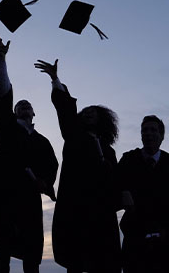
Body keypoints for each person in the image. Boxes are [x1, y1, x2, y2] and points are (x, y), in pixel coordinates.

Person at [34, 59, 121, 273]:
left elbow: (114, 179)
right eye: (86, 112)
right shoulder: (74, 136)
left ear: (102, 119)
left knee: (101, 260)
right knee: (76, 259)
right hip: (76, 206)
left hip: (100, 210)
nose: (89, 113)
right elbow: (65, 110)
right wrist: (55, 79)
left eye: (94, 112)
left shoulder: (108, 150)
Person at [0, 37, 58, 273]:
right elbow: (4, 88)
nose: (24, 107)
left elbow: (52, 164)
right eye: (20, 106)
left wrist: (45, 182)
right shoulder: (8, 127)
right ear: (14, 112)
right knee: (3, 250)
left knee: (31, 253)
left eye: (27, 105)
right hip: (8, 195)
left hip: (30, 197)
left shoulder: (43, 141)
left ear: (34, 112)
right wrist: (2, 58)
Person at [118, 115, 169, 273]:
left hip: (166, 241)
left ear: (162, 136)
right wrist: (122, 192)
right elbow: (112, 186)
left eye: (153, 130)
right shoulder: (128, 160)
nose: (148, 133)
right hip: (135, 239)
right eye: (144, 130)